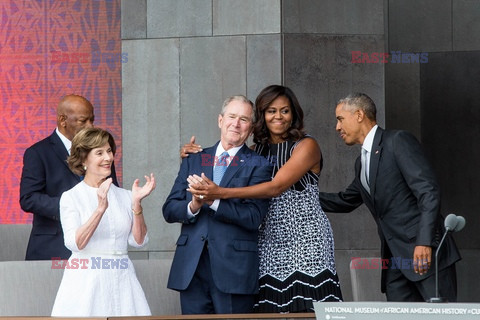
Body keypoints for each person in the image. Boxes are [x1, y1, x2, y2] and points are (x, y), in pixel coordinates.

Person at [185, 85, 343, 313]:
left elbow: (276, 187)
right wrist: (194, 157)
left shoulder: (307, 145)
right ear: (262, 115)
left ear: (294, 114)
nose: (278, 116)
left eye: (285, 111)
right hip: (268, 238)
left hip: (307, 239)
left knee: (309, 308)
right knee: (271, 307)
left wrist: (220, 193)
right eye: (271, 111)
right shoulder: (254, 151)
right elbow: (223, 166)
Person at [318, 92, 461, 301]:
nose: (337, 127)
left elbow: (428, 192)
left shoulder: (398, 141)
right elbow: (345, 200)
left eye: (340, 119)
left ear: (359, 115)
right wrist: (302, 198)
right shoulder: (362, 162)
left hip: (426, 256)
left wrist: (424, 242)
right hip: (395, 263)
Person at [162, 95, 273, 314]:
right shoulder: (194, 159)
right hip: (191, 268)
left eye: (244, 119)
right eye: (232, 116)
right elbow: (169, 209)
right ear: (220, 120)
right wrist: (193, 205)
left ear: (251, 128)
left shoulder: (258, 164)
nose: (236, 123)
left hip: (234, 269)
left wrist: (212, 201)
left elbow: (253, 218)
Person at [51, 127, 155, 317]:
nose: (108, 158)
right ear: (83, 160)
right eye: (99, 153)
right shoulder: (71, 197)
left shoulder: (125, 195)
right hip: (87, 280)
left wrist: (137, 204)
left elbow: (139, 242)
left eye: (109, 151)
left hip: (123, 277)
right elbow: (76, 243)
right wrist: (100, 208)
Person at [20, 94, 118, 260]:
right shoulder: (38, 153)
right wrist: (71, 206)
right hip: (54, 248)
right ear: (63, 120)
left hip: (98, 246)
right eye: (83, 121)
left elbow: (112, 190)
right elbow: (29, 198)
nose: (90, 126)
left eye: (92, 120)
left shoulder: (102, 153)